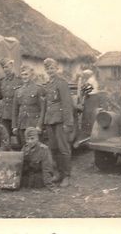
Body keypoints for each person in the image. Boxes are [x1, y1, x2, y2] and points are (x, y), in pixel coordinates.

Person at [43, 58, 74, 187]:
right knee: (53, 148)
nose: (50, 71)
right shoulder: (48, 84)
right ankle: (58, 173)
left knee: (63, 148)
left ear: (57, 69)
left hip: (60, 120)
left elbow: (67, 104)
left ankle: (66, 176)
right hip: (50, 119)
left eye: (52, 68)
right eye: (48, 68)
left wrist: (68, 122)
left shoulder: (62, 83)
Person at [12, 65, 45, 148]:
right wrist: (14, 126)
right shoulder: (18, 91)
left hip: (33, 123)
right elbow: (15, 110)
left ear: (32, 75)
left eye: (26, 74)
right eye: (22, 75)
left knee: (36, 147)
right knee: (24, 147)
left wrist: (39, 125)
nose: (24, 77)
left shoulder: (38, 89)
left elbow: (43, 109)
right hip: (21, 123)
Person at [0, 57, 22, 136]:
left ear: (12, 66)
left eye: (7, 67)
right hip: (4, 112)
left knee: (18, 135)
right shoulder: (2, 81)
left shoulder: (19, 80)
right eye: (3, 67)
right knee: (5, 135)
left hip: (15, 111)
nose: (5, 69)